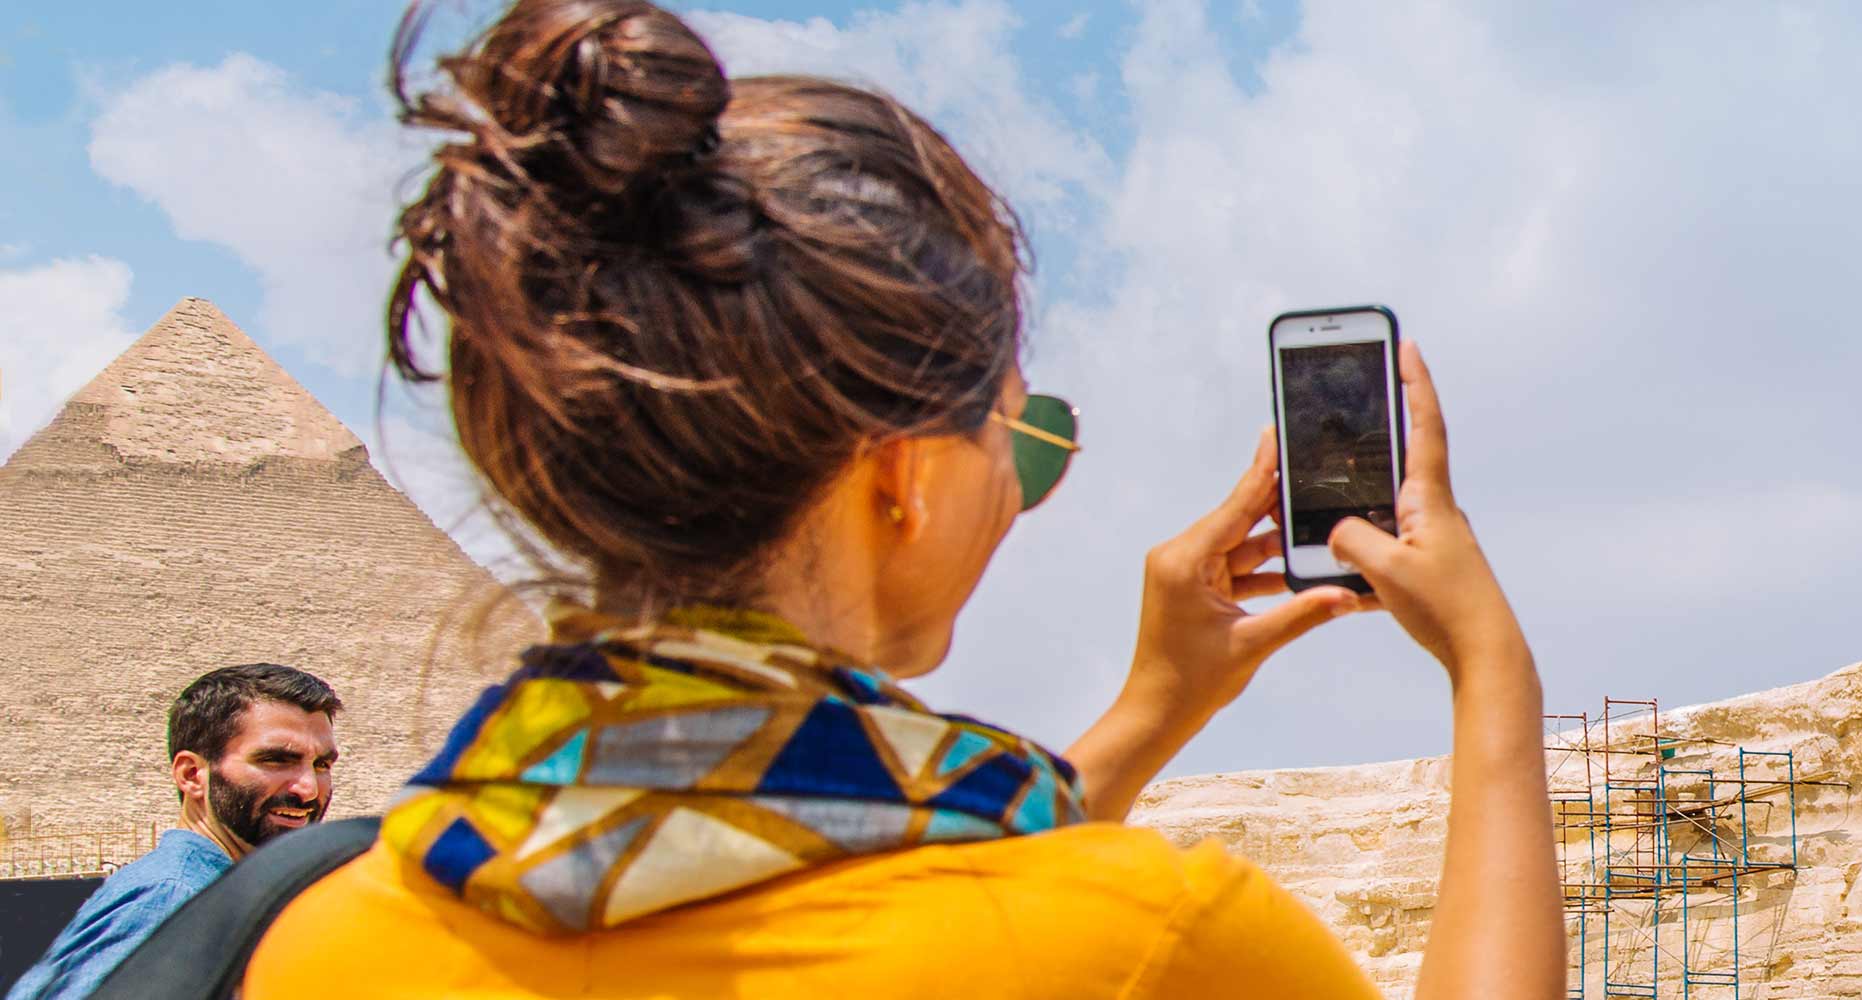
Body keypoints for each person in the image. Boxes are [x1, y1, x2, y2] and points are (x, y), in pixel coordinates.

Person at [240, 2, 1557, 995]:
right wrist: (1491, 667)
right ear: (904, 476)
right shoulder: (1149, 941)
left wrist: (1156, 708)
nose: (1019, 496)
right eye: (1023, 440)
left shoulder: (324, 940)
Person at [8, 664, 339, 1000]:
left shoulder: (220, 897)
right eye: (276, 760)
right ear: (192, 775)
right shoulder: (175, 900)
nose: (308, 789)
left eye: (322, 765)